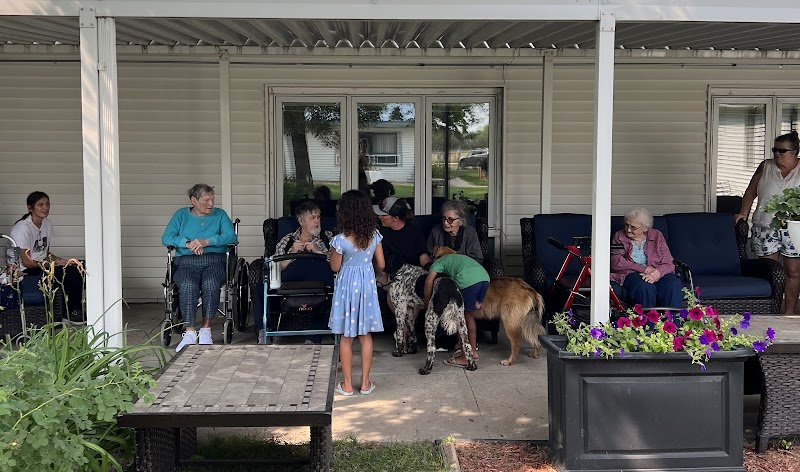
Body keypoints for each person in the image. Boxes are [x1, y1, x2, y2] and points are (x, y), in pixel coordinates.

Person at [162, 184, 236, 352]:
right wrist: (187, 243)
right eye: (206, 200)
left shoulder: (220, 215)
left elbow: (231, 236)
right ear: (193, 201)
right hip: (186, 261)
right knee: (188, 285)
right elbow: (167, 237)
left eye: (212, 199)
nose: (210, 204)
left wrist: (206, 241)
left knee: (210, 283)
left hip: (215, 260)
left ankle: (205, 330)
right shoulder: (181, 215)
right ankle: (189, 332)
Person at [736, 131, 800, 314]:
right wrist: (743, 213)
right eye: (774, 150)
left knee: (793, 271)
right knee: (770, 272)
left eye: (782, 150)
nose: (777, 154)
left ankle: (789, 313)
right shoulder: (766, 166)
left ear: (794, 151)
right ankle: (771, 312)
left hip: (794, 227)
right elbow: (750, 192)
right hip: (765, 225)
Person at [329, 190, 385, 396]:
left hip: (346, 289)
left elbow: (335, 268)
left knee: (346, 336)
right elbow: (381, 264)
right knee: (365, 335)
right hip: (367, 287)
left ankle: (346, 385)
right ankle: (365, 383)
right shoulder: (374, 236)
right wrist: (372, 275)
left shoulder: (340, 240)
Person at [255, 201, 334, 343]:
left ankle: (315, 336)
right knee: (263, 285)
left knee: (340, 287)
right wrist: (292, 252)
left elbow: (336, 262)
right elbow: (276, 266)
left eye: (318, 217)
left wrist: (318, 251)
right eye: (312, 218)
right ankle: (264, 329)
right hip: (291, 276)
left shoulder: (327, 236)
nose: (317, 221)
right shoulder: (288, 239)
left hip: (319, 275)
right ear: (301, 221)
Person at [6, 191, 85, 324]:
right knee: (72, 273)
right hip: (25, 271)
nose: (45, 208)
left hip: (42, 265)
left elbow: (46, 253)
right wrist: (53, 265)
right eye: (40, 204)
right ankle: (72, 312)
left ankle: (74, 308)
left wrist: (67, 261)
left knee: (80, 266)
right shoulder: (22, 228)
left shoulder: (46, 224)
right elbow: (28, 262)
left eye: (47, 204)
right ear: (30, 208)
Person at [423, 252, 490, 368]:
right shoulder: (456, 258)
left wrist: (427, 303)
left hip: (468, 280)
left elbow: (428, 282)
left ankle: (465, 357)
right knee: (469, 315)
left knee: (461, 317)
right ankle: (473, 351)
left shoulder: (438, 263)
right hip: (484, 278)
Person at [373, 196, 432, 323]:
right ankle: (406, 332)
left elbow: (423, 256)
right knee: (396, 290)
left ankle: (404, 333)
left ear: (395, 218)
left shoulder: (414, 231)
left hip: (412, 274)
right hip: (389, 274)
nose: (379, 217)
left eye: (384, 215)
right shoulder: (380, 233)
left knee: (409, 292)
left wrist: (430, 269)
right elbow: (378, 263)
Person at [610, 207, 683, 309]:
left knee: (673, 284)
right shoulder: (619, 236)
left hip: (656, 272)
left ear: (645, 228)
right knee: (644, 286)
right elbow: (616, 263)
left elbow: (669, 263)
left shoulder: (657, 235)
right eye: (627, 225)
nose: (628, 229)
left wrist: (657, 273)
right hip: (631, 274)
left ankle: (672, 323)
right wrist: (645, 269)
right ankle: (647, 323)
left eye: (633, 227)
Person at [427, 199, 483, 264]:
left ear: (461, 220)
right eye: (444, 218)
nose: (445, 223)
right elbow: (429, 256)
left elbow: (478, 259)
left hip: (465, 270)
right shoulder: (436, 231)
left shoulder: (470, 232)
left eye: (450, 220)